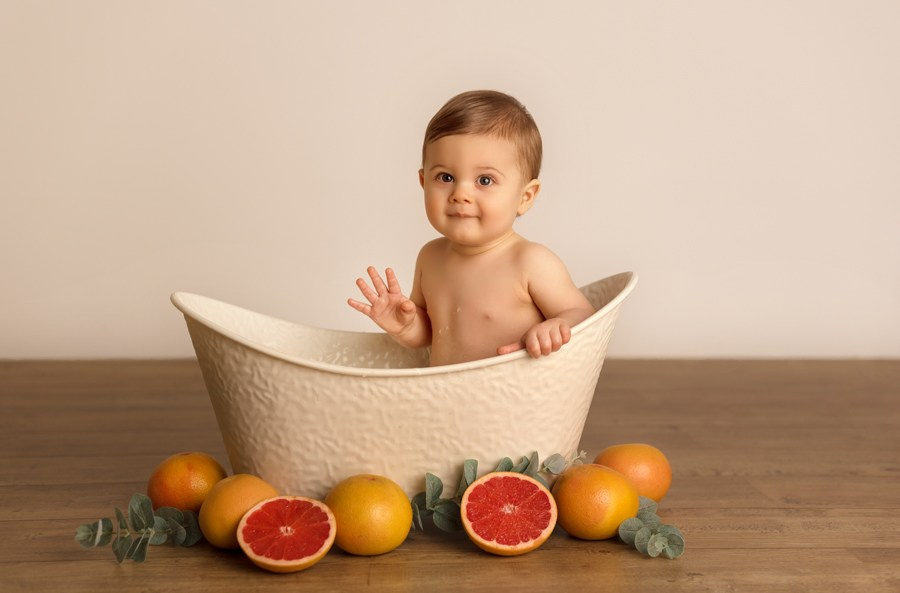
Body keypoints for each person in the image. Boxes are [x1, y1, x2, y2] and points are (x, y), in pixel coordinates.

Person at [348, 90, 595, 366]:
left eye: (485, 181)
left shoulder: (530, 262)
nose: (460, 194)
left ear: (525, 197)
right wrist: (405, 326)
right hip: (446, 399)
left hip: (513, 400)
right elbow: (431, 333)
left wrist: (556, 327)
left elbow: (584, 315)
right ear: (423, 183)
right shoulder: (430, 257)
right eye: (446, 177)